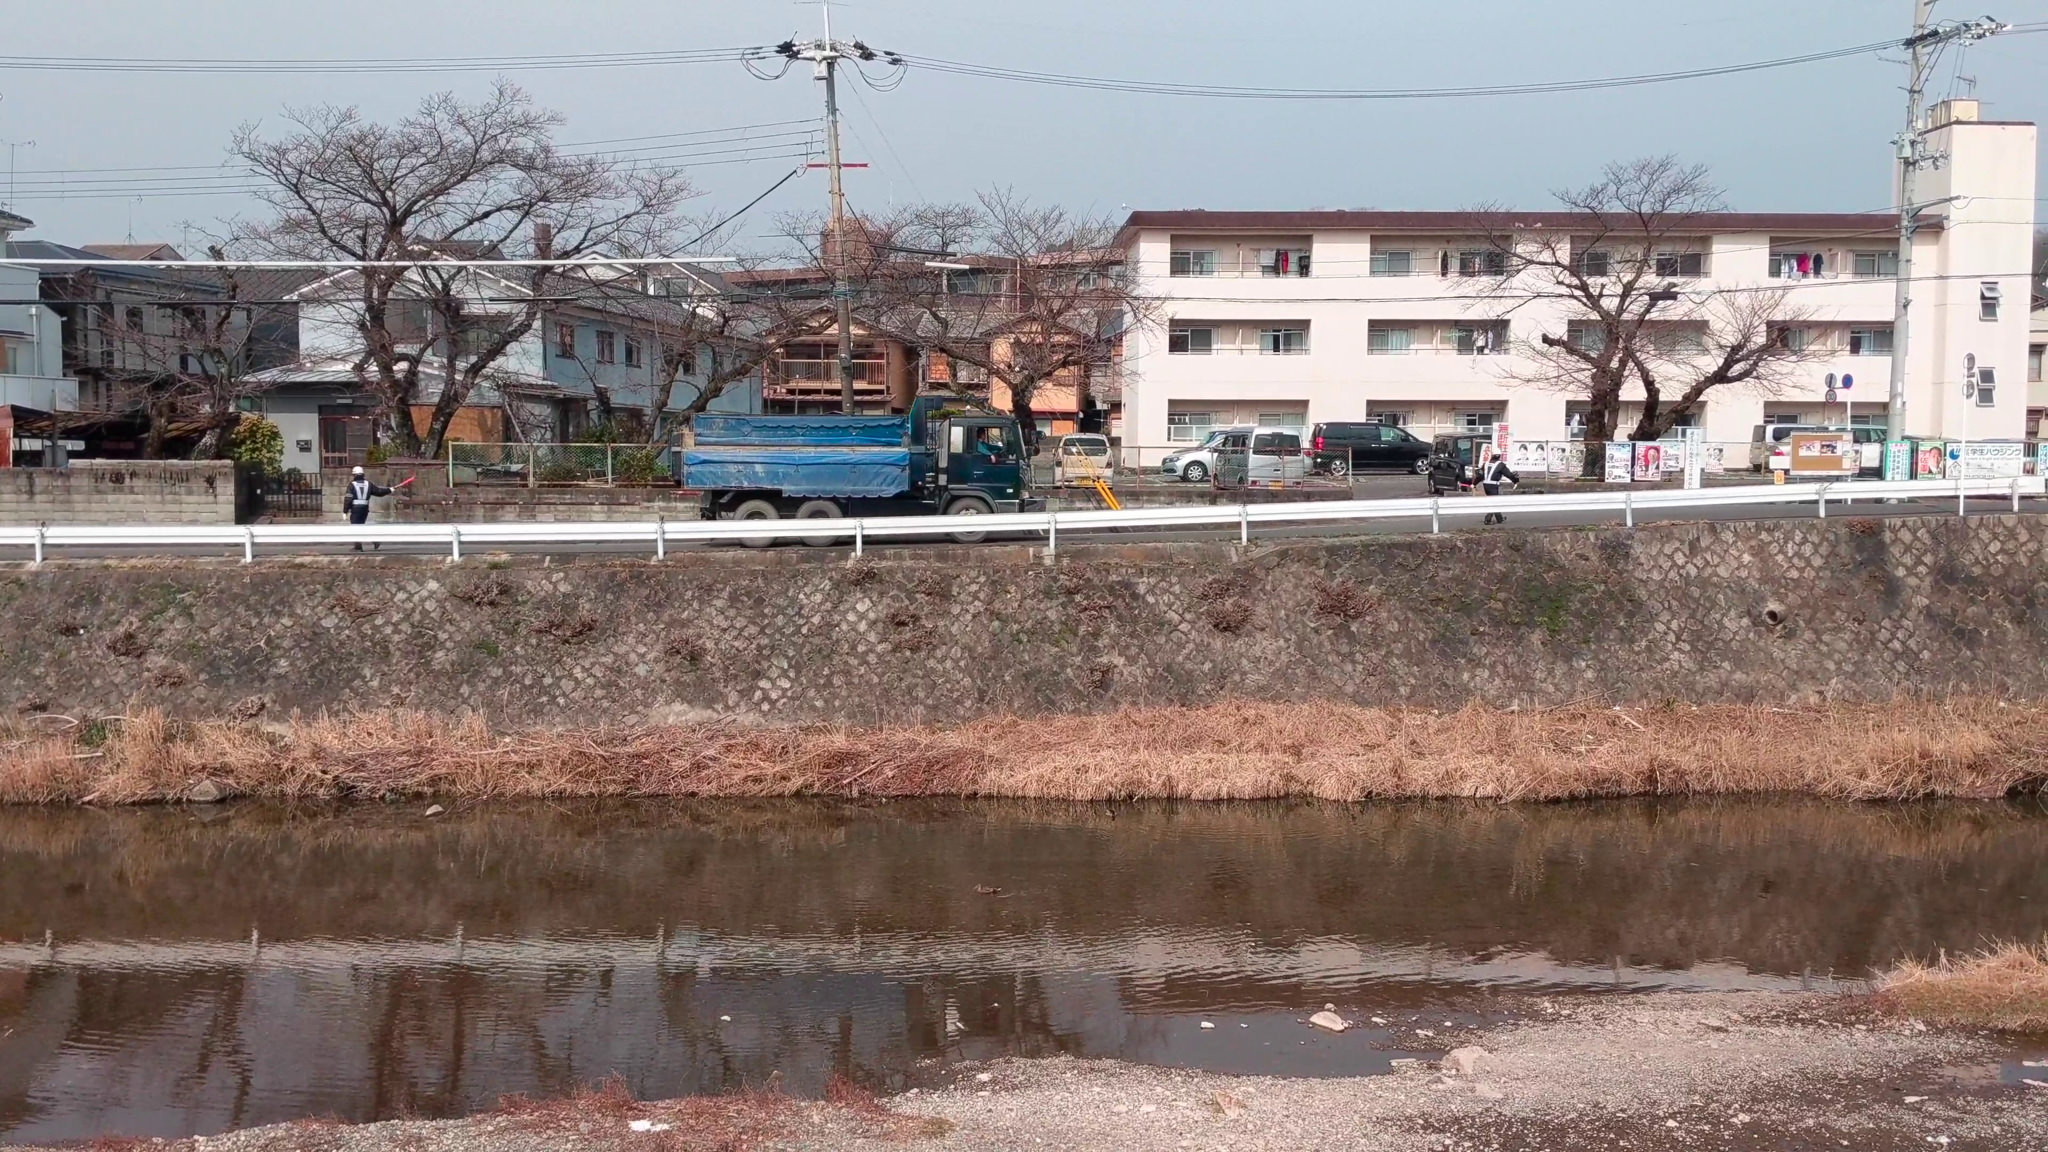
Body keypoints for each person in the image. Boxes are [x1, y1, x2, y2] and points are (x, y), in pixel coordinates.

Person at [342, 465, 392, 551]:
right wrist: (389, 490)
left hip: (356, 509)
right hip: (364, 509)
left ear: (354, 475)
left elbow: (348, 499)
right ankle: (373, 542)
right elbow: (378, 492)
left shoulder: (352, 485)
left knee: (356, 528)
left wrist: (345, 511)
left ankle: (359, 547)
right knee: (361, 527)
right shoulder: (368, 484)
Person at [1479, 451, 1520, 525]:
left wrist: (1474, 483)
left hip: (1485, 484)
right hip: (1493, 485)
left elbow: (1480, 475)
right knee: (1494, 502)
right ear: (1499, 456)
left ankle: (1499, 519)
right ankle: (1487, 520)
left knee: (1493, 501)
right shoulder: (1500, 465)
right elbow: (1508, 474)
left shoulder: (1486, 463)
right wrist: (1515, 480)